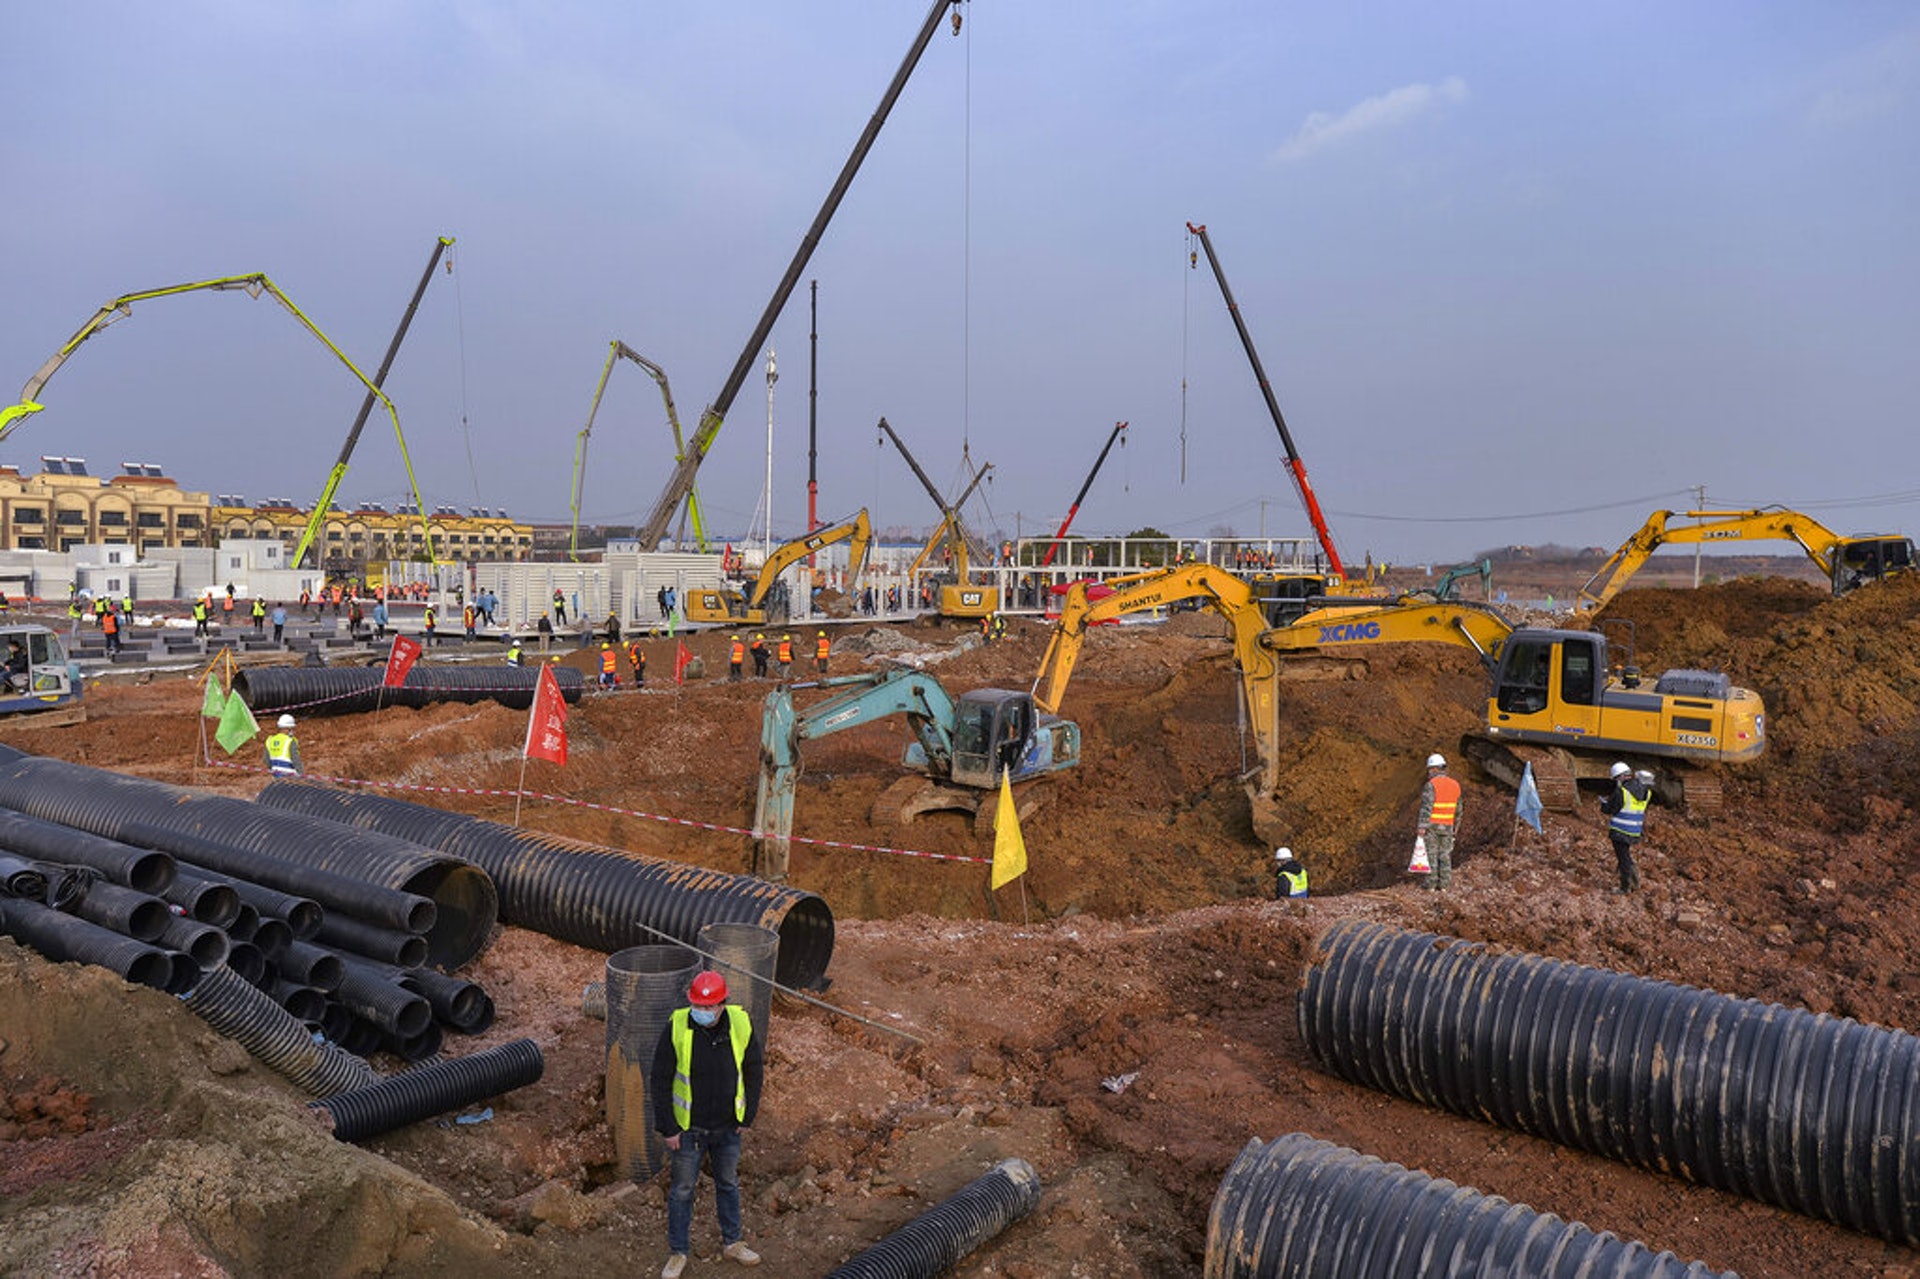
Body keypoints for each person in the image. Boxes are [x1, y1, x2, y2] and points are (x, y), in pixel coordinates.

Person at [650, 971, 764, 1277]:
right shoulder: (677, 1026)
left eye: (709, 1006)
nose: (702, 1012)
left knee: (728, 1183)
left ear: (722, 1004)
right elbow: (659, 1079)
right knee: (682, 1190)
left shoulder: (740, 1023)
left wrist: (747, 1115)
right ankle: (678, 1252)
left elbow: (754, 1069)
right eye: (697, 1006)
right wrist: (669, 1127)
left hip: (728, 1127)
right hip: (689, 1129)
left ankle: (733, 1242)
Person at [1599, 762, 1652, 893]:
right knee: (1626, 856)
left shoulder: (1621, 792)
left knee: (1623, 858)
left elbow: (1610, 809)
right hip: (1634, 830)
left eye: (1616, 778)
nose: (1616, 781)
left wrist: (1604, 803)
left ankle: (1625, 887)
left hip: (1620, 831)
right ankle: (1633, 882)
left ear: (1621, 776)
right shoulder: (1646, 791)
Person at [1416, 752, 1461, 891]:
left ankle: (1431, 885)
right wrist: (1456, 827)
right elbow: (1459, 809)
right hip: (1448, 826)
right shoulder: (1455, 785)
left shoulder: (1431, 785)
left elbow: (1426, 807)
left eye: (1430, 769)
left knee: (1431, 855)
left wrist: (1422, 826)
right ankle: (1444, 885)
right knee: (1445, 855)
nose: (1429, 773)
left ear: (1435, 769)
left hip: (1432, 826)